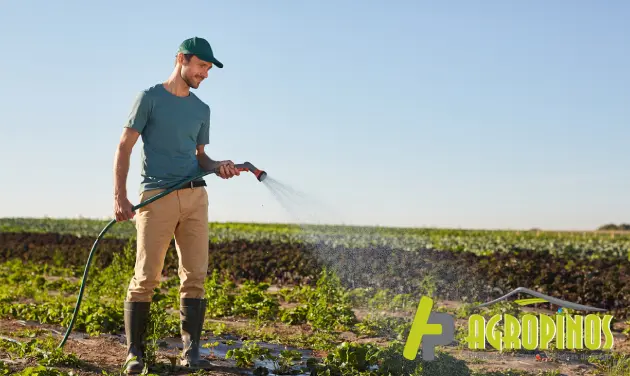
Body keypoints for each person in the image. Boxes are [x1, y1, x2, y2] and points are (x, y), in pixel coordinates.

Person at [112, 36, 239, 374]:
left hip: (196, 197)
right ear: (182, 59)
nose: (205, 74)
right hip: (156, 197)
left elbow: (200, 157)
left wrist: (218, 166)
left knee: (195, 275)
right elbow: (124, 147)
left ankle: (191, 352)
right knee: (146, 276)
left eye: (209, 69)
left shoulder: (201, 109)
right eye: (201, 66)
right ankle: (135, 354)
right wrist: (119, 196)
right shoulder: (149, 98)